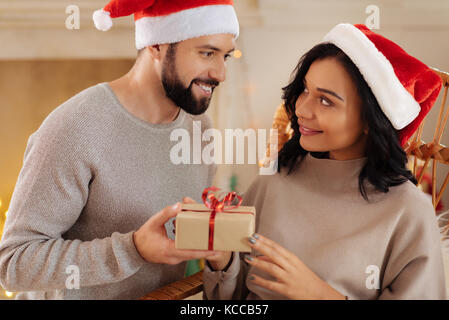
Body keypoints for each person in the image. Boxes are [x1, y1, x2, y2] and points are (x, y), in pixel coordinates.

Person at [0, 0, 239, 299]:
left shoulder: (199, 128)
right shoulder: (76, 126)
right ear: (157, 45)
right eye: (207, 53)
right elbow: (13, 264)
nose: (220, 73)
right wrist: (133, 249)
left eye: (225, 56)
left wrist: (218, 245)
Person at [203, 23, 446, 299]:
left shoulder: (409, 212)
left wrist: (319, 294)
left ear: (370, 119)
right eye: (305, 90)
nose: (302, 109)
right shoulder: (273, 182)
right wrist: (222, 261)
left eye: (326, 101)